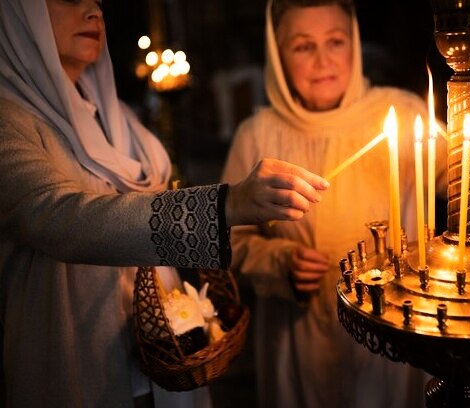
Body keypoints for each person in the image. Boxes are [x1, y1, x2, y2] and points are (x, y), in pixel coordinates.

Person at [0, 1, 330, 407]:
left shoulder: (117, 115)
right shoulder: (9, 123)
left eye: (99, 1)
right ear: (18, 13)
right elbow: (61, 217)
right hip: (80, 362)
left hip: (162, 354)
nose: (94, 10)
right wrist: (227, 204)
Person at [219, 0, 470, 407]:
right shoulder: (256, 136)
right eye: (302, 46)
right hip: (300, 336)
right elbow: (229, 237)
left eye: (336, 41)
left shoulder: (398, 112)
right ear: (277, 54)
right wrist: (277, 261)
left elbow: (465, 190)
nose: (323, 60)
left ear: (355, 44)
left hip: (395, 327)